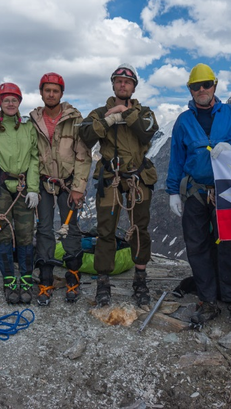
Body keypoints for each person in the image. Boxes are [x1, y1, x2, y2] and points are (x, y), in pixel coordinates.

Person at [167, 64, 231, 333]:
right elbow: (177, 157)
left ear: (214, 86)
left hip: (227, 191)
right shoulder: (184, 121)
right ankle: (207, 300)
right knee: (197, 246)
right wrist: (173, 191)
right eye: (196, 86)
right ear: (190, 90)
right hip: (195, 191)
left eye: (206, 85)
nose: (202, 90)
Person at [79, 63, 158, 307]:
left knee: (140, 228)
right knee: (106, 231)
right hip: (110, 177)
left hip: (137, 177)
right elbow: (86, 135)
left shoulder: (145, 113)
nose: (123, 85)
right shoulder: (99, 113)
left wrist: (124, 112)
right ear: (113, 85)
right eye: (119, 81)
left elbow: (147, 132)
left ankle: (140, 279)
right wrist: (109, 119)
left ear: (134, 87)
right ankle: (103, 282)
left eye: (128, 82)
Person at [29, 72, 92, 306]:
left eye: (55, 90)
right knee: (44, 229)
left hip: (68, 181)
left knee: (71, 229)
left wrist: (78, 187)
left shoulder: (74, 119)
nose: (51, 94)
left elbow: (83, 154)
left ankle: (73, 278)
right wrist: (32, 187)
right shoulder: (33, 121)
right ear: (41, 92)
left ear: (61, 93)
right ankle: (45, 281)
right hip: (43, 182)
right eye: (47, 90)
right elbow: (30, 154)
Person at [0, 83, 39, 305]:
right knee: (3, 234)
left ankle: (26, 280)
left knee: (25, 234)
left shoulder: (29, 129)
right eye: (6, 100)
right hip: (0, 187)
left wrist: (33, 188)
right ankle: (10, 281)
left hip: (23, 187)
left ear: (19, 102)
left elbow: (34, 159)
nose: (10, 103)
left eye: (14, 99)